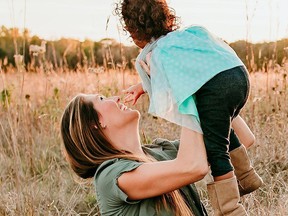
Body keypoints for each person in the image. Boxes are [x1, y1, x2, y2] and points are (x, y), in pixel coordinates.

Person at [114, 0, 263, 215]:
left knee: (215, 150)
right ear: (168, 18)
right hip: (238, 77)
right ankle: (246, 175)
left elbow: (160, 85)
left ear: (133, 31)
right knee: (218, 131)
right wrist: (141, 87)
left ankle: (230, 209)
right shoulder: (188, 35)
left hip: (215, 88)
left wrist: (144, 83)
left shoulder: (152, 54)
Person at [60, 93, 209, 216]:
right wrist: (187, 92)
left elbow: (226, 135)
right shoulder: (110, 177)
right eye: (102, 99)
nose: (116, 98)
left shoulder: (161, 151)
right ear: (95, 122)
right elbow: (194, 166)